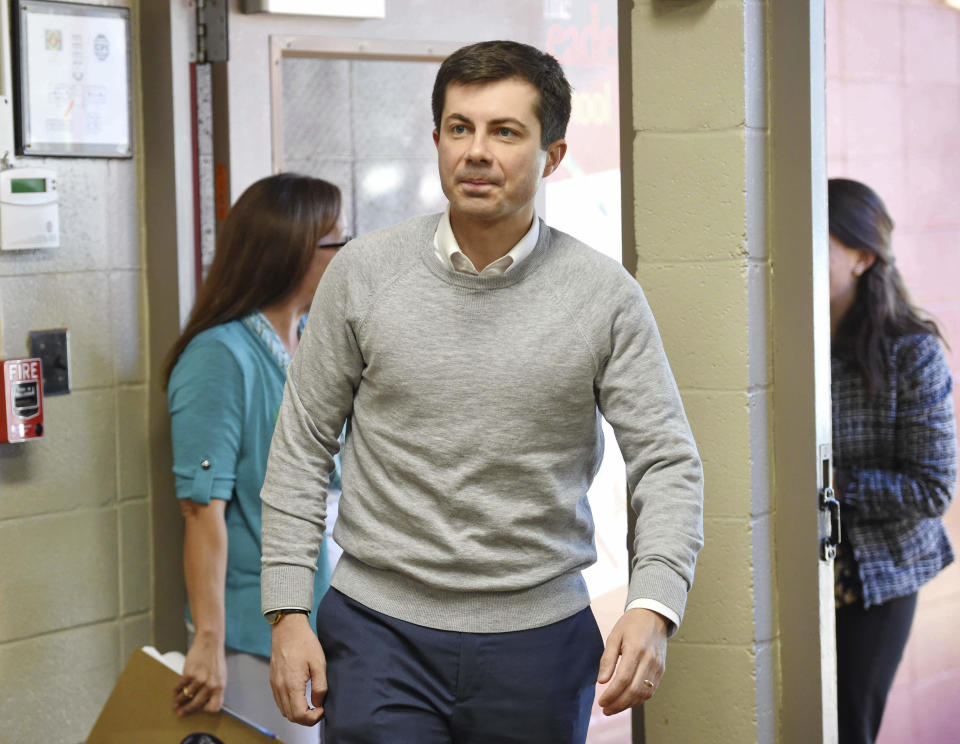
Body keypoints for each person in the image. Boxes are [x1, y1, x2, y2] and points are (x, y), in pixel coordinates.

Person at [261, 41, 704, 743]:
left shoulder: (604, 296)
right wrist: (286, 612)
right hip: (379, 634)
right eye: (460, 128)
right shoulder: (362, 273)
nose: (476, 151)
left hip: (539, 638)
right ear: (436, 139)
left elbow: (668, 461)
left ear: (552, 155)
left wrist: (654, 602)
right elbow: (300, 449)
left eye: (505, 131)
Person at [164, 173, 347, 743]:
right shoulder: (219, 355)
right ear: (288, 252)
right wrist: (208, 639)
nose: (345, 256)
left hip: (329, 608)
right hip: (255, 627)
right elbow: (202, 511)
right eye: (333, 244)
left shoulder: (314, 336)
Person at [828, 178, 957, 744]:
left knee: (848, 724)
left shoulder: (912, 349)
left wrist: (833, 485)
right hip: (800, 569)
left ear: (862, 256)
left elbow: (933, 489)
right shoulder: (784, 334)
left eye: (819, 239)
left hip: (880, 574)